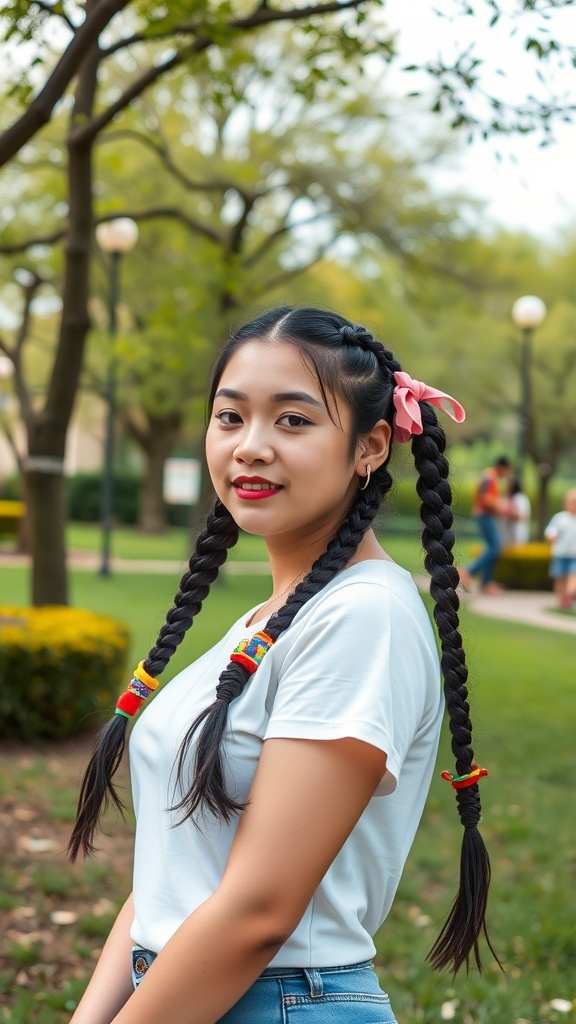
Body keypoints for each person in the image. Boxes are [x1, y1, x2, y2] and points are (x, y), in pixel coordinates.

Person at [68, 308, 495, 1024]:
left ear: (371, 447)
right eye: (230, 418)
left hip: (278, 1003)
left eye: (293, 421)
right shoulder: (271, 619)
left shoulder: (365, 619)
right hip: (178, 993)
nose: (251, 447)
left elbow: (259, 913)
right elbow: (173, 878)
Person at [459, 456, 511, 595]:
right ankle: (467, 571)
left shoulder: (489, 477)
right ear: (502, 467)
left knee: (491, 548)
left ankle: (486, 583)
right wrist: (501, 506)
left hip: (485, 516)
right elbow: (486, 499)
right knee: (495, 548)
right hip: (485, 516)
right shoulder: (489, 477)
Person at [544, 488, 576, 611]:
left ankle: (569, 595)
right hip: (560, 553)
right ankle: (562, 601)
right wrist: (551, 536)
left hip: (574, 555)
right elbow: (551, 531)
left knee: (573, 577)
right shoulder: (560, 518)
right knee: (560, 578)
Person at [499, 478, 531, 548]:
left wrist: (511, 514)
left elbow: (523, 515)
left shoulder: (521, 498)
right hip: (506, 533)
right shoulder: (506, 498)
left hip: (518, 532)